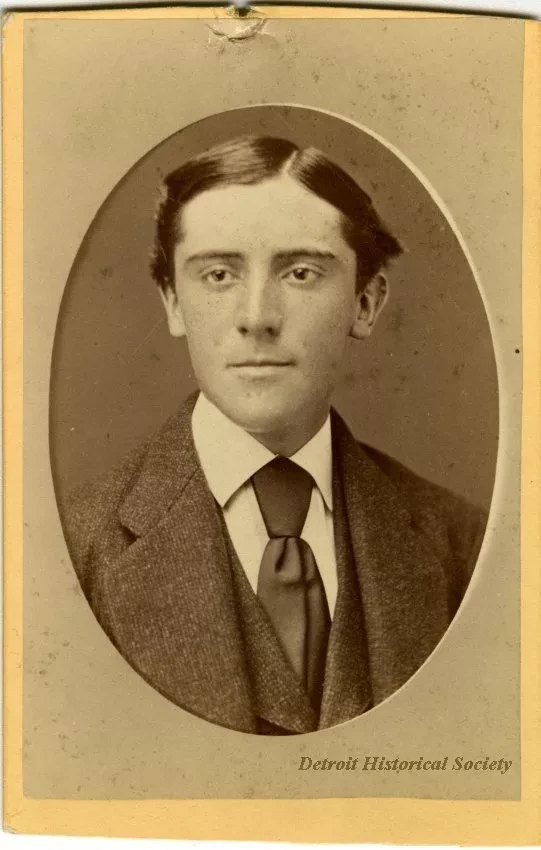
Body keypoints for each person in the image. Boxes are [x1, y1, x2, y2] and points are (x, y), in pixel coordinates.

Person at [62, 135, 487, 735]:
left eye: (301, 272)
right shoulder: (67, 549)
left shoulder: (464, 545)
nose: (257, 316)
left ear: (365, 303)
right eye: (218, 274)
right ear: (174, 302)